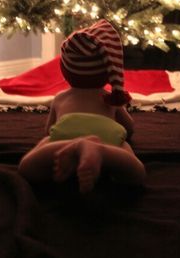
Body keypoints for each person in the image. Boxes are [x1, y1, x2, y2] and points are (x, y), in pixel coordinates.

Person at [18, 19, 146, 194]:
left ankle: (77, 147)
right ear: (108, 71)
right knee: (136, 172)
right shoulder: (109, 99)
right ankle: (101, 152)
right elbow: (129, 129)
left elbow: (49, 130)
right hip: (106, 136)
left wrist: (65, 138)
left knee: (27, 166)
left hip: (64, 137)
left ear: (64, 69)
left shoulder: (60, 98)